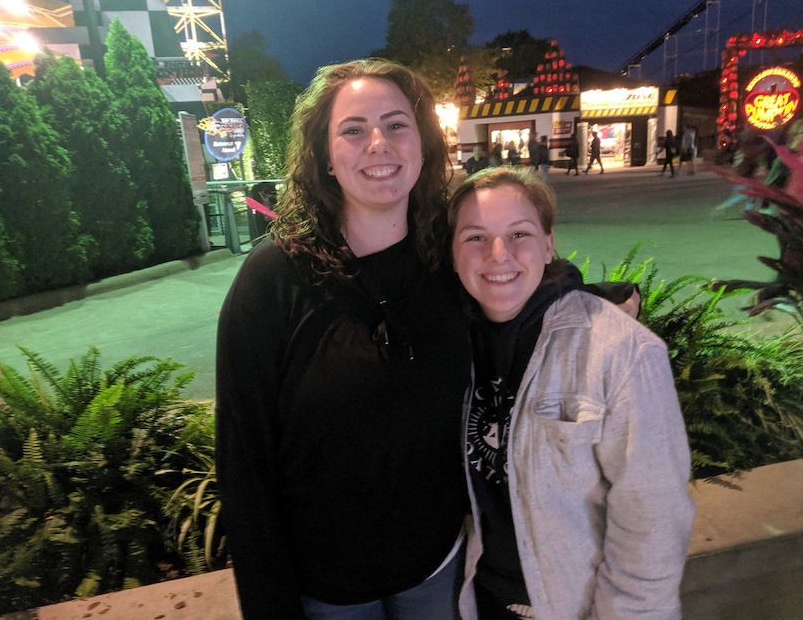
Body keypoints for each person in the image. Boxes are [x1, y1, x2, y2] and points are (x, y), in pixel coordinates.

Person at [216, 59, 471, 619]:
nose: (378, 143)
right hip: (326, 589)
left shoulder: (454, 259)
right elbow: (243, 462)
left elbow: (522, 274)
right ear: (326, 157)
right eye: (353, 130)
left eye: (397, 124)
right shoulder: (271, 281)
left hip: (438, 569)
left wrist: (580, 293)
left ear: (423, 145)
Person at [448, 167, 694, 620]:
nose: (498, 254)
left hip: (573, 607)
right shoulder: (451, 345)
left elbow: (652, 518)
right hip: (478, 598)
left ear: (548, 243)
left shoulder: (621, 352)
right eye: (475, 237)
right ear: (453, 252)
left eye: (518, 233)